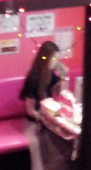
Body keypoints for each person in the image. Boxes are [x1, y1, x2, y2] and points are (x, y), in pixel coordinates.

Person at [19, 41, 61, 170]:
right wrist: (43, 118)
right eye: (54, 59)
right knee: (39, 145)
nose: (56, 62)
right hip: (33, 122)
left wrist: (63, 76)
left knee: (61, 142)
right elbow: (30, 110)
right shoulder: (33, 78)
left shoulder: (50, 74)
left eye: (57, 59)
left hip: (47, 120)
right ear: (45, 58)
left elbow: (61, 93)